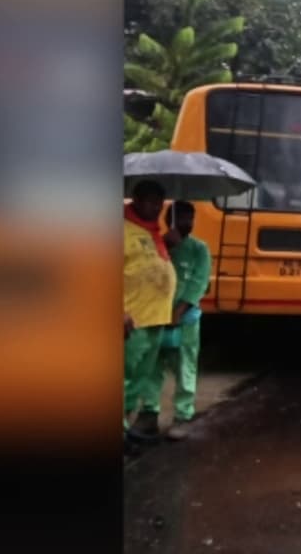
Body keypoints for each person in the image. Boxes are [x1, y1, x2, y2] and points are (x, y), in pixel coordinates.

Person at [138, 201, 211, 441]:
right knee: (151, 368)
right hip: (154, 318)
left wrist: (178, 313)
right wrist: (165, 249)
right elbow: (144, 276)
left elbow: (198, 283)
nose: (186, 224)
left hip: (186, 321)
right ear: (168, 219)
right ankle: (149, 414)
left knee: (184, 367)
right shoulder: (155, 245)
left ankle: (183, 415)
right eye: (181, 218)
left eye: (190, 219)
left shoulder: (200, 249)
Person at [124, 180, 177, 441]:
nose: (153, 206)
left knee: (138, 381)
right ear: (134, 198)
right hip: (131, 320)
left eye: (158, 201)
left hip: (155, 319)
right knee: (124, 379)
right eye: (147, 199)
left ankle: (124, 429)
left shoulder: (153, 231)